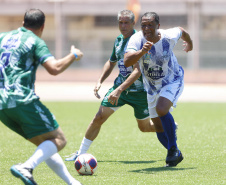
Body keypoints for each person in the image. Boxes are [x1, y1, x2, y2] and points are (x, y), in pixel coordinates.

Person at [0, 9, 83, 185]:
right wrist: (74, 55)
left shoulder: (2, 37)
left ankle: (72, 183)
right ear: (43, 26)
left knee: (45, 143)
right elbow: (54, 68)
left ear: (23, 23)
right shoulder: (35, 41)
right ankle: (26, 167)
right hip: (21, 99)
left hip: (1, 104)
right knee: (59, 140)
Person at [65, 10, 157, 162]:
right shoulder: (119, 40)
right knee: (99, 117)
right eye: (120, 22)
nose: (123, 25)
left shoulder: (137, 41)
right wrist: (100, 80)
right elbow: (111, 61)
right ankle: (80, 153)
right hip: (119, 88)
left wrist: (119, 90)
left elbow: (137, 72)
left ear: (133, 23)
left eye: (127, 22)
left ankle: (168, 126)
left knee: (144, 127)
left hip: (139, 92)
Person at [124, 12, 193, 167]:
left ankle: (173, 148)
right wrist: (141, 51)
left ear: (158, 26)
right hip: (151, 87)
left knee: (161, 109)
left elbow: (182, 30)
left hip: (172, 80)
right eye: (143, 25)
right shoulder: (137, 39)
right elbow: (127, 61)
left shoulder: (168, 35)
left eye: (150, 25)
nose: (146, 28)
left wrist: (190, 44)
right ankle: (175, 153)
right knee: (158, 126)